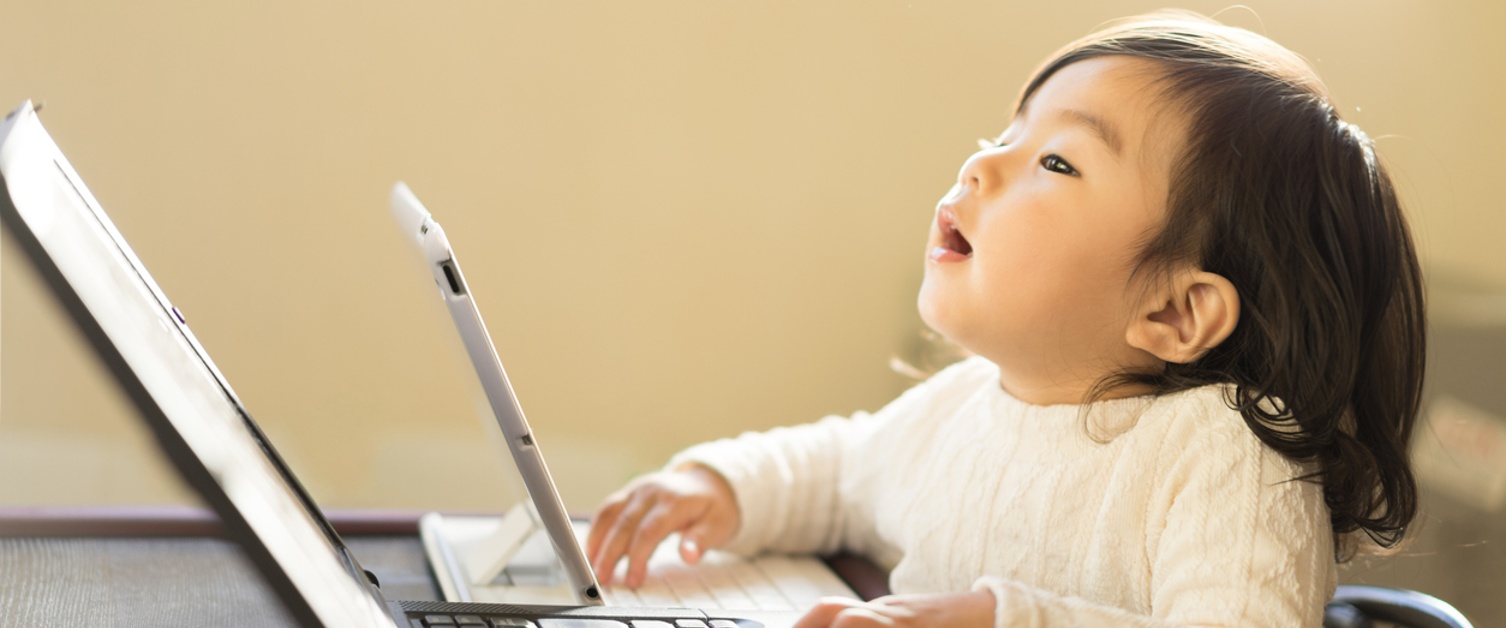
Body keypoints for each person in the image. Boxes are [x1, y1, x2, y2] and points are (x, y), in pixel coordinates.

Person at [586, 10, 1426, 627]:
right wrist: (717, 486)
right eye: (1006, 135)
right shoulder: (964, 409)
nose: (982, 161)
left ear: (1174, 309)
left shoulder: (1225, 457)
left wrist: (999, 620)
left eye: (1056, 161)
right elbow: (838, 475)